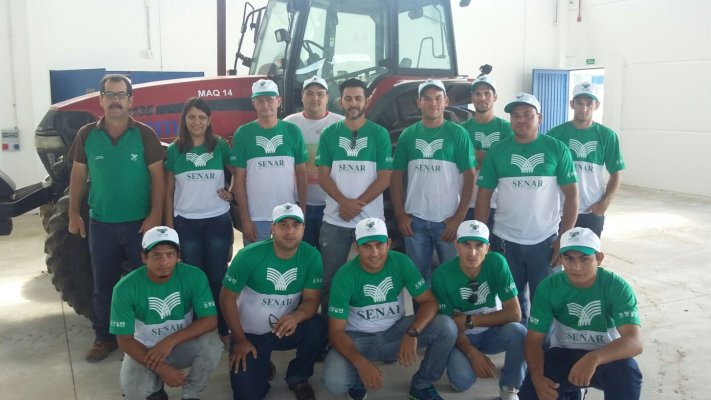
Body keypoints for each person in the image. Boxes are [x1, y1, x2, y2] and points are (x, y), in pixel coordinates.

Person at [67, 74, 166, 362]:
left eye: (121, 95)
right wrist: (73, 213)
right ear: (100, 100)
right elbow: (78, 175)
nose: (115, 100)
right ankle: (104, 337)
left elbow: (158, 177)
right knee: (104, 285)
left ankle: (147, 335)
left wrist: (155, 214)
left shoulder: (145, 134)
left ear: (130, 100)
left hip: (140, 225)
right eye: (109, 95)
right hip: (102, 224)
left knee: (145, 282)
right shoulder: (86, 135)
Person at [322, 217, 457, 400]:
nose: (374, 253)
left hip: (396, 332)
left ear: (389, 244)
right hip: (359, 339)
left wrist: (412, 332)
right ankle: (357, 379)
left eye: (379, 245)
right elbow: (336, 332)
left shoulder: (401, 262)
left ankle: (422, 385)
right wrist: (360, 363)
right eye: (367, 246)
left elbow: (429, 302)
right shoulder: (344, 276)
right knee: (334, 381)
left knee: (446, 326)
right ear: (356, 247)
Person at [475, 92, 579, 325]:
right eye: (515, 115)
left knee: (546, 303)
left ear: (539, 118)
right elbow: (483, 196)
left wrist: (564, 238)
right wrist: (481, 237)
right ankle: (518, 342)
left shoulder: (557, 149)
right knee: (511, 304)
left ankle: (543, 346)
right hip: (505, 241)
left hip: (545, 242)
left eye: (527, 114)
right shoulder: (497, 151)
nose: (521, 120)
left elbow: (572, 196)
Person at [519, 227, 643, 400]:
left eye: (584, 259)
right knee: (532, 390)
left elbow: (635, 341)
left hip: (605, 354)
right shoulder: (548, 288)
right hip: (563, 353)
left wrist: (594, 358)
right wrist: (537, 377)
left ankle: (574, 390)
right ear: (561, 258)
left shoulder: (617, 287)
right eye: (569, 258)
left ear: (599, 258)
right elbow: (533, 340)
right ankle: (573, 392)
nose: (576, 267)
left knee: (627, 371)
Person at [220, 203, 325, 400]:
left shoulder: (311, 256)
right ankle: (261, 362)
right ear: (272, 228)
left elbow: (312, 300)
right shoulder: (248, 255)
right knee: (246, 395)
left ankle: (298, 377)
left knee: (317, 328)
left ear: (303, 229)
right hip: (249, 334)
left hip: (284, 329)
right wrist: (239, 339)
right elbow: (227, 297)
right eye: (283, 225)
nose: (290, 231)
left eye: (296, 225)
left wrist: (296, 316)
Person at [110, 226, 223, 400]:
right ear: (144, 257)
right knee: (133, 393)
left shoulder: (194, 276)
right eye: (157, 255)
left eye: (170, 255)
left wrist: (170, 341)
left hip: (180, 345)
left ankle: (191, 393)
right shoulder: (125, 288)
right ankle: (156, 390)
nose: (164, 262)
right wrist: (161, 368)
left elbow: (210, 320)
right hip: (144, 349)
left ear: (178, 256)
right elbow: (124, 339)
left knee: (212, 344)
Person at [315, 78, 392, 317]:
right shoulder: (329, 133)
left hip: (370, 221)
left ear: (366, 101)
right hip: (335, 220)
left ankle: (366, 325)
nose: (353, 103)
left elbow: (385, 178)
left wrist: (356, 205)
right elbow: (322, 176)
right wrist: (344, 202)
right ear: (341, 102)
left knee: (372, 276)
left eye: (358, 98)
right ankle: (329, 330)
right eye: (348, 98)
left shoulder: (379, 134)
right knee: (330, 279)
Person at [391, 79, 476, 285]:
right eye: (427, 99)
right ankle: (424, 308)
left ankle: (448, 308)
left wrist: (458, 218)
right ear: (418, 103)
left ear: (446, 101)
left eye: (438, 98)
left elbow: (470, 176)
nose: (433, 103)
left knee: (453, 280)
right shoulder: (408, 135)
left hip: (447, 222)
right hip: (414, 222)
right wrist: (400, 214)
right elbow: (395, 176)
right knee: (418, 282)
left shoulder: (458, 134)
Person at [165, 97, 234, 344]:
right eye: (192, 117)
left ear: (209, 121)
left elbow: (238, 172)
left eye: (202, 117)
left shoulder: (219, 146)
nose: (197, 122)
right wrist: (169, 226)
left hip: (217, 221)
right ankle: (199, 328)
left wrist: (231, 192)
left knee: (217, 277)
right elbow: (169, 191)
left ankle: (223, 328)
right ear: (184, 119)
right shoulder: (175, 150)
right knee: (194, 279)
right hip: (186, 224)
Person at [432, 220, 526, 400]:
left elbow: (515, 313)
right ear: (456, 245)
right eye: (466, 244)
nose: (472, 252)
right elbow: (449, 326)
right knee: (461, 382)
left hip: (492, 333)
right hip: (461, 337)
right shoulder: (441, 275)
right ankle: (457, 362)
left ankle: (510, 387)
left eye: (479, 245)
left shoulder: (497, 262)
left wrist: (470, 320)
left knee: (519, 331)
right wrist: (472, 353)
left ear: (487, 248)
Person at [230, 79, 308, 245]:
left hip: (288, 217)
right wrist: (245, 219)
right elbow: (239, 179)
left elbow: (302, 175)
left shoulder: (293, 131)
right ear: (254, 103)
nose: (265, 104)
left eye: (270, 99)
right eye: (260, 100)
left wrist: (302, 213)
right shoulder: (243, 133)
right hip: (256, 218)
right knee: (256, 261)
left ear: (278, 101)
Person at [546, 82, 625, 237]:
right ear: (572, 104)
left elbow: (616, 174)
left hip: (591, 211)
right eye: (579, 103)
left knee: (588, 252)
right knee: (559, 249)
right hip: (560, 210)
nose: (584, 108)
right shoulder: (555, 134)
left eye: (589, 103)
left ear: (597, 105)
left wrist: (604, 204)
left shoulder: (607, 135)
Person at [283, 76, 344, 248]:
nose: (315, 98)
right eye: (309, 93)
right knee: (302, 253)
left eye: (320, 94)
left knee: (329, 255)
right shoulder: (289, 124)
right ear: (302, 97)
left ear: (327, 97)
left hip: (331, 206)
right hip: (297, 203)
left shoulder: (340, 124)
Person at [460, 75, 514, 227]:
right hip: (466, 204)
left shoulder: (507, 129)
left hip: (498, 204)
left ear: (495, 97)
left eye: (487, 93)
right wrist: (493, 158)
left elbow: (507, 164)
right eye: (478, 94)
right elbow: (458, 163)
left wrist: (472, 154)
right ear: (472, 97)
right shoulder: (462, 130)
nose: (482, 98)